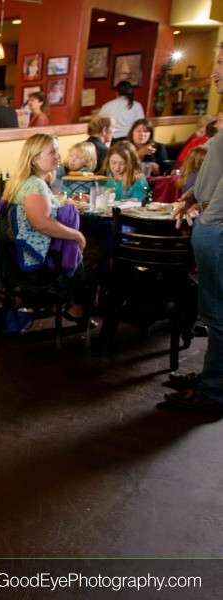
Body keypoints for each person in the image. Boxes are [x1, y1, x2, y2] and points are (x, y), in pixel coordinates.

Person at [168, 42, 223, 411]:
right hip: (210, 222)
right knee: (214, 313)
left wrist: (209, 219)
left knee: (218, 315)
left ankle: (215, 391)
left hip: (217, 228)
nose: (213, 70)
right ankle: (210, 376)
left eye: (220, 62)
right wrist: (192, 196)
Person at [3, 133, 96, 322]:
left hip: (20, 258)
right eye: (52, 152)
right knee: (98, 250)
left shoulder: (24, 182)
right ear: (35, 158)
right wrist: (77, 236)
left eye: (58, 151)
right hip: (40, 266)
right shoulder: (35, 185)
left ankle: (68, 304)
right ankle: (79, 305)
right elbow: (41, 223)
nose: (58, 156)